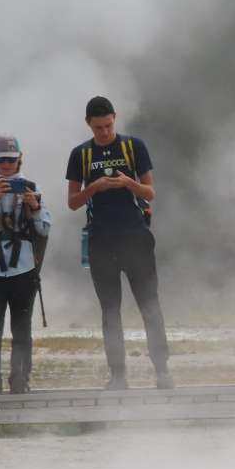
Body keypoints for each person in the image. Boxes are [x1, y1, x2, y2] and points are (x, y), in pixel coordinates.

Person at [66, 96, 173, 391]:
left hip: (136, 238)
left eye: (108, 125)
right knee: (110, 310)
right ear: (88, 124)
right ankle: (118, 375)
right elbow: (73, 202)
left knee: (150, 305)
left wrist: (128, 183)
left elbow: (150, 192)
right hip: (101, 242)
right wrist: (95, 187)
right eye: (98, 127)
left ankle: (162, 370)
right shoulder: (81, 155)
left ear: (115, 118)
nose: (104, 132)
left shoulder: (133, 146)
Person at [0, 135, 51, 394]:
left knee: (22, 330)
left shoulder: (31, 188)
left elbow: (44, 229)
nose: (6, 164)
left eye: (11, 160)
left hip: (23, 268)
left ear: (19, 160)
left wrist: (34, 207)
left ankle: (20, 380)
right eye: (1, 159)